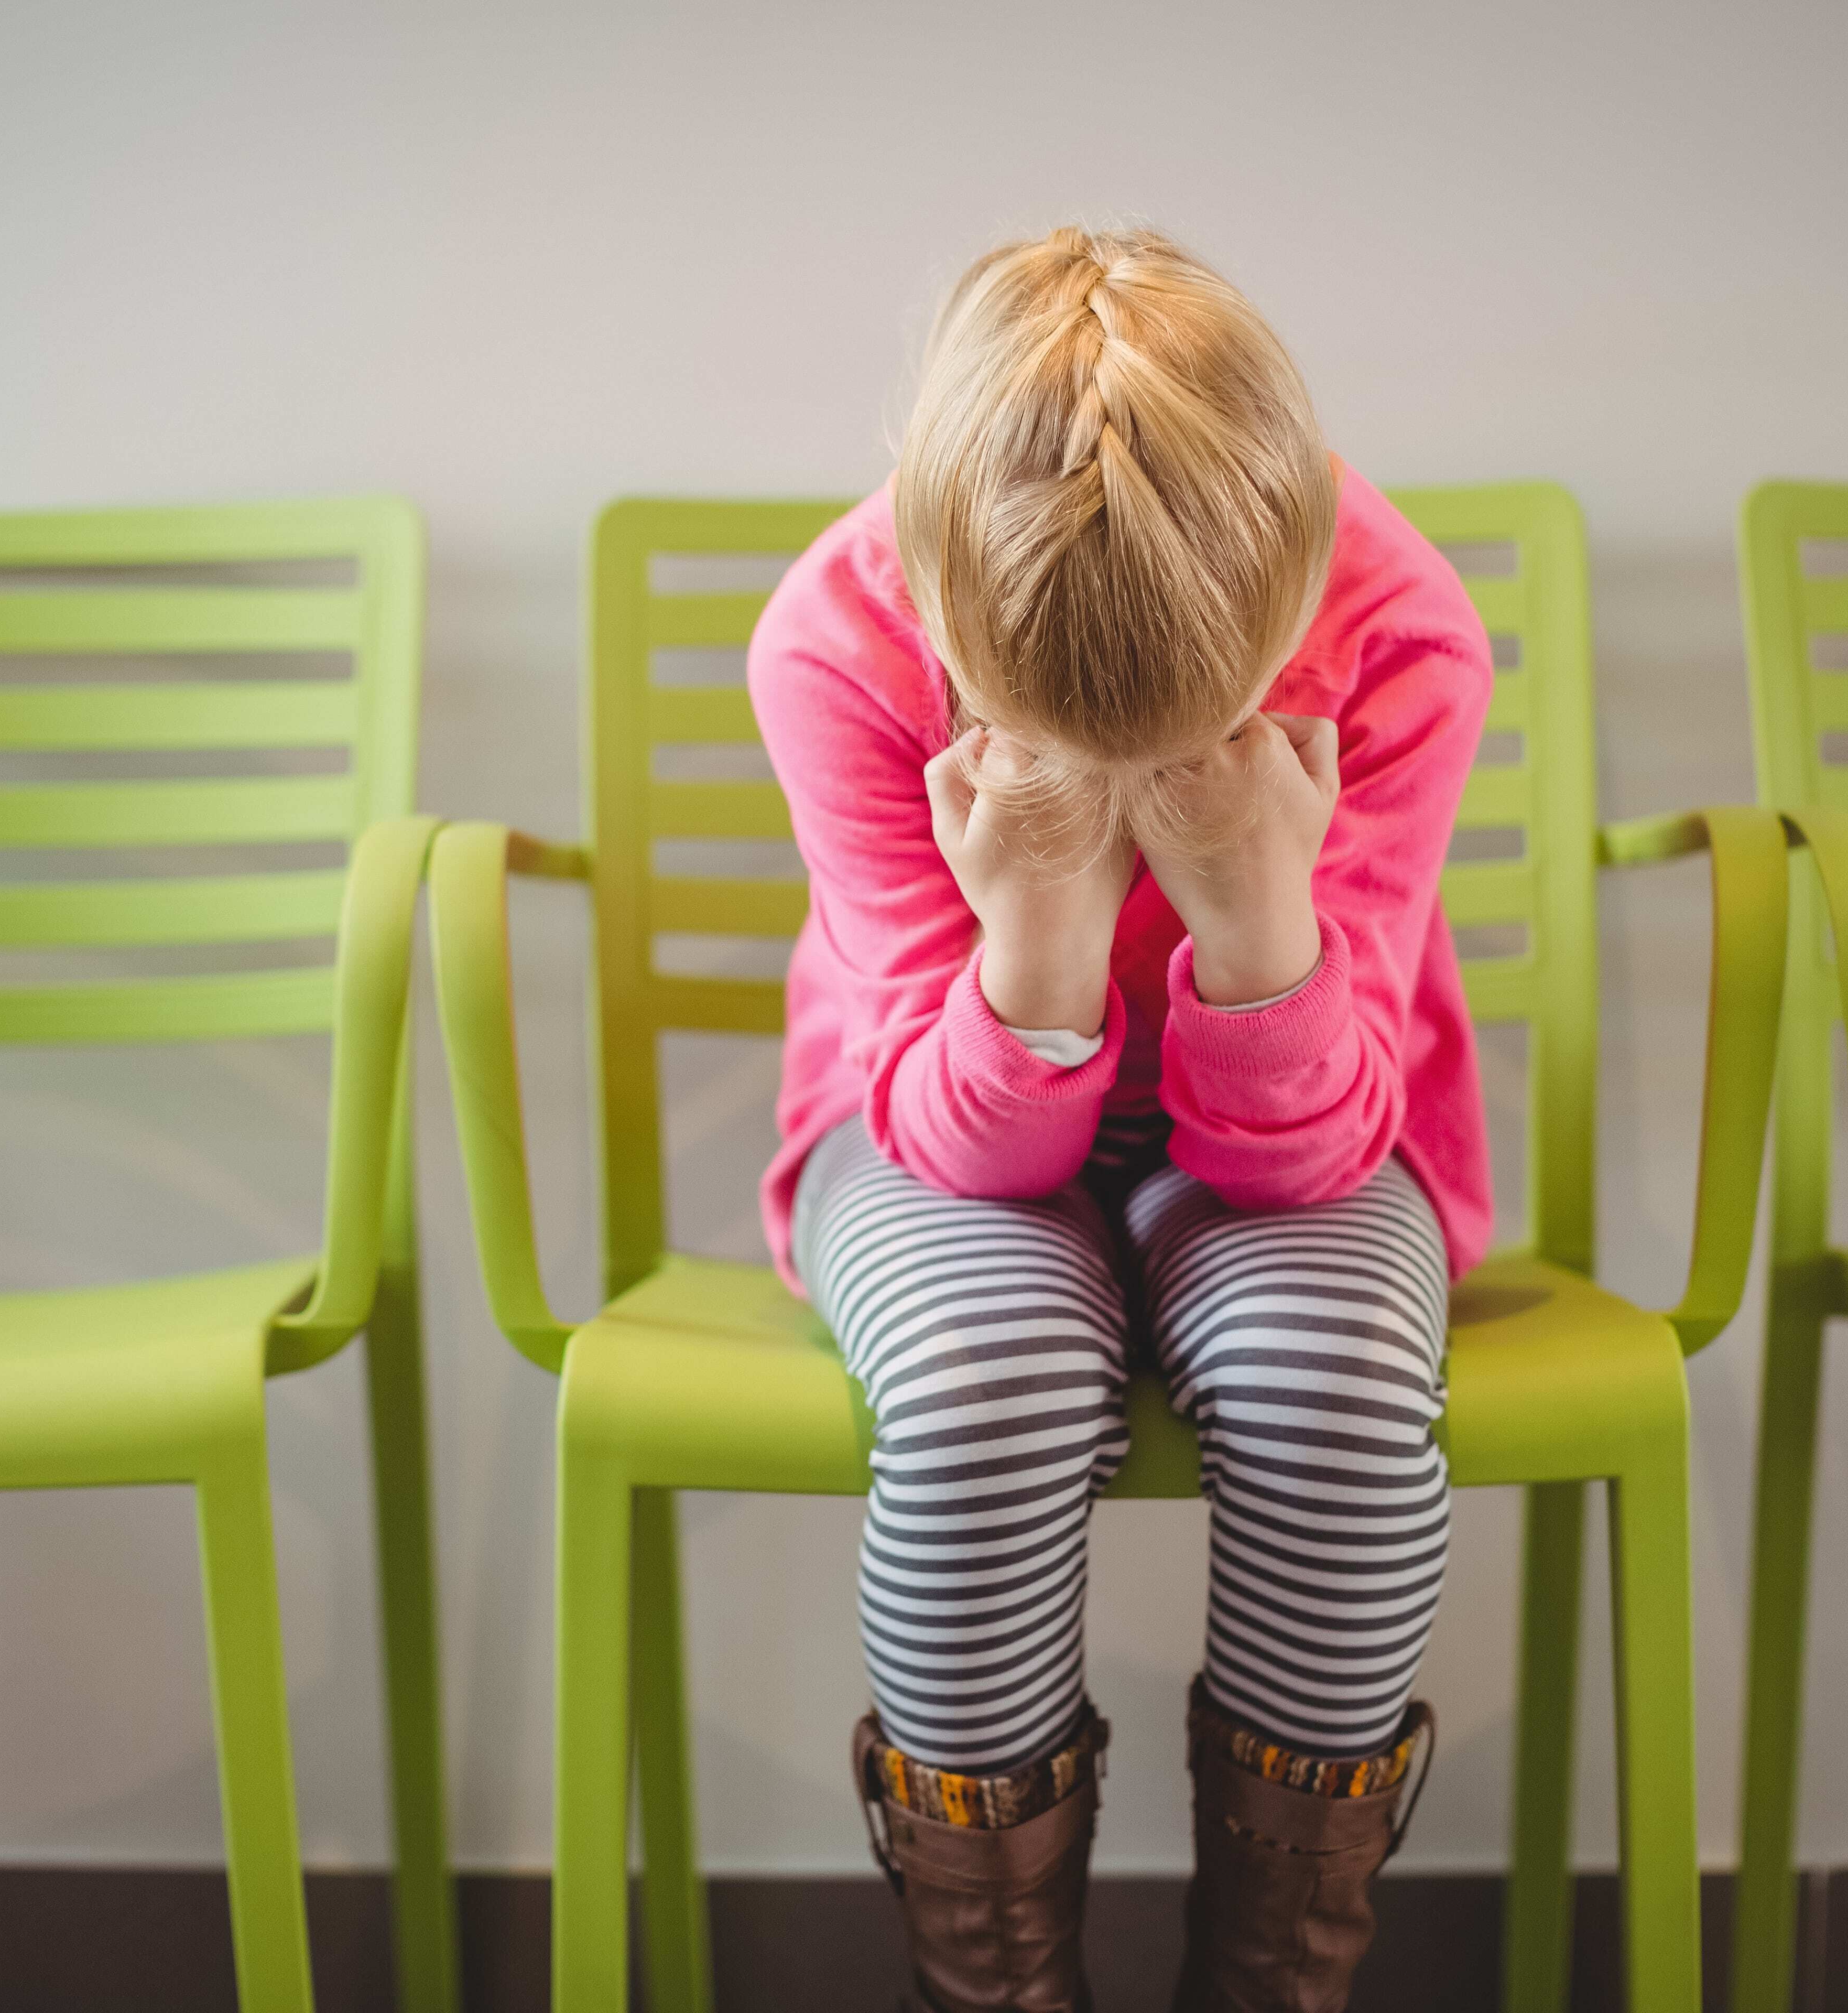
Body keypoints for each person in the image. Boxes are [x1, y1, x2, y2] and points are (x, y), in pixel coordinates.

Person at [746, 225, 1494, 2011]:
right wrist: (1041, 928)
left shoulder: (1401, 636)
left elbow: (1311, 1153)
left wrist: (1250, 907)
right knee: (978, 1381)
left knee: (1347, 1390)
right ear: (939, 590)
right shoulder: (838, 645)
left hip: (1308, 1110)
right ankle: (995, 1986)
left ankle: (1273, 1982)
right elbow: (958, 1144)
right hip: (933, 1110)